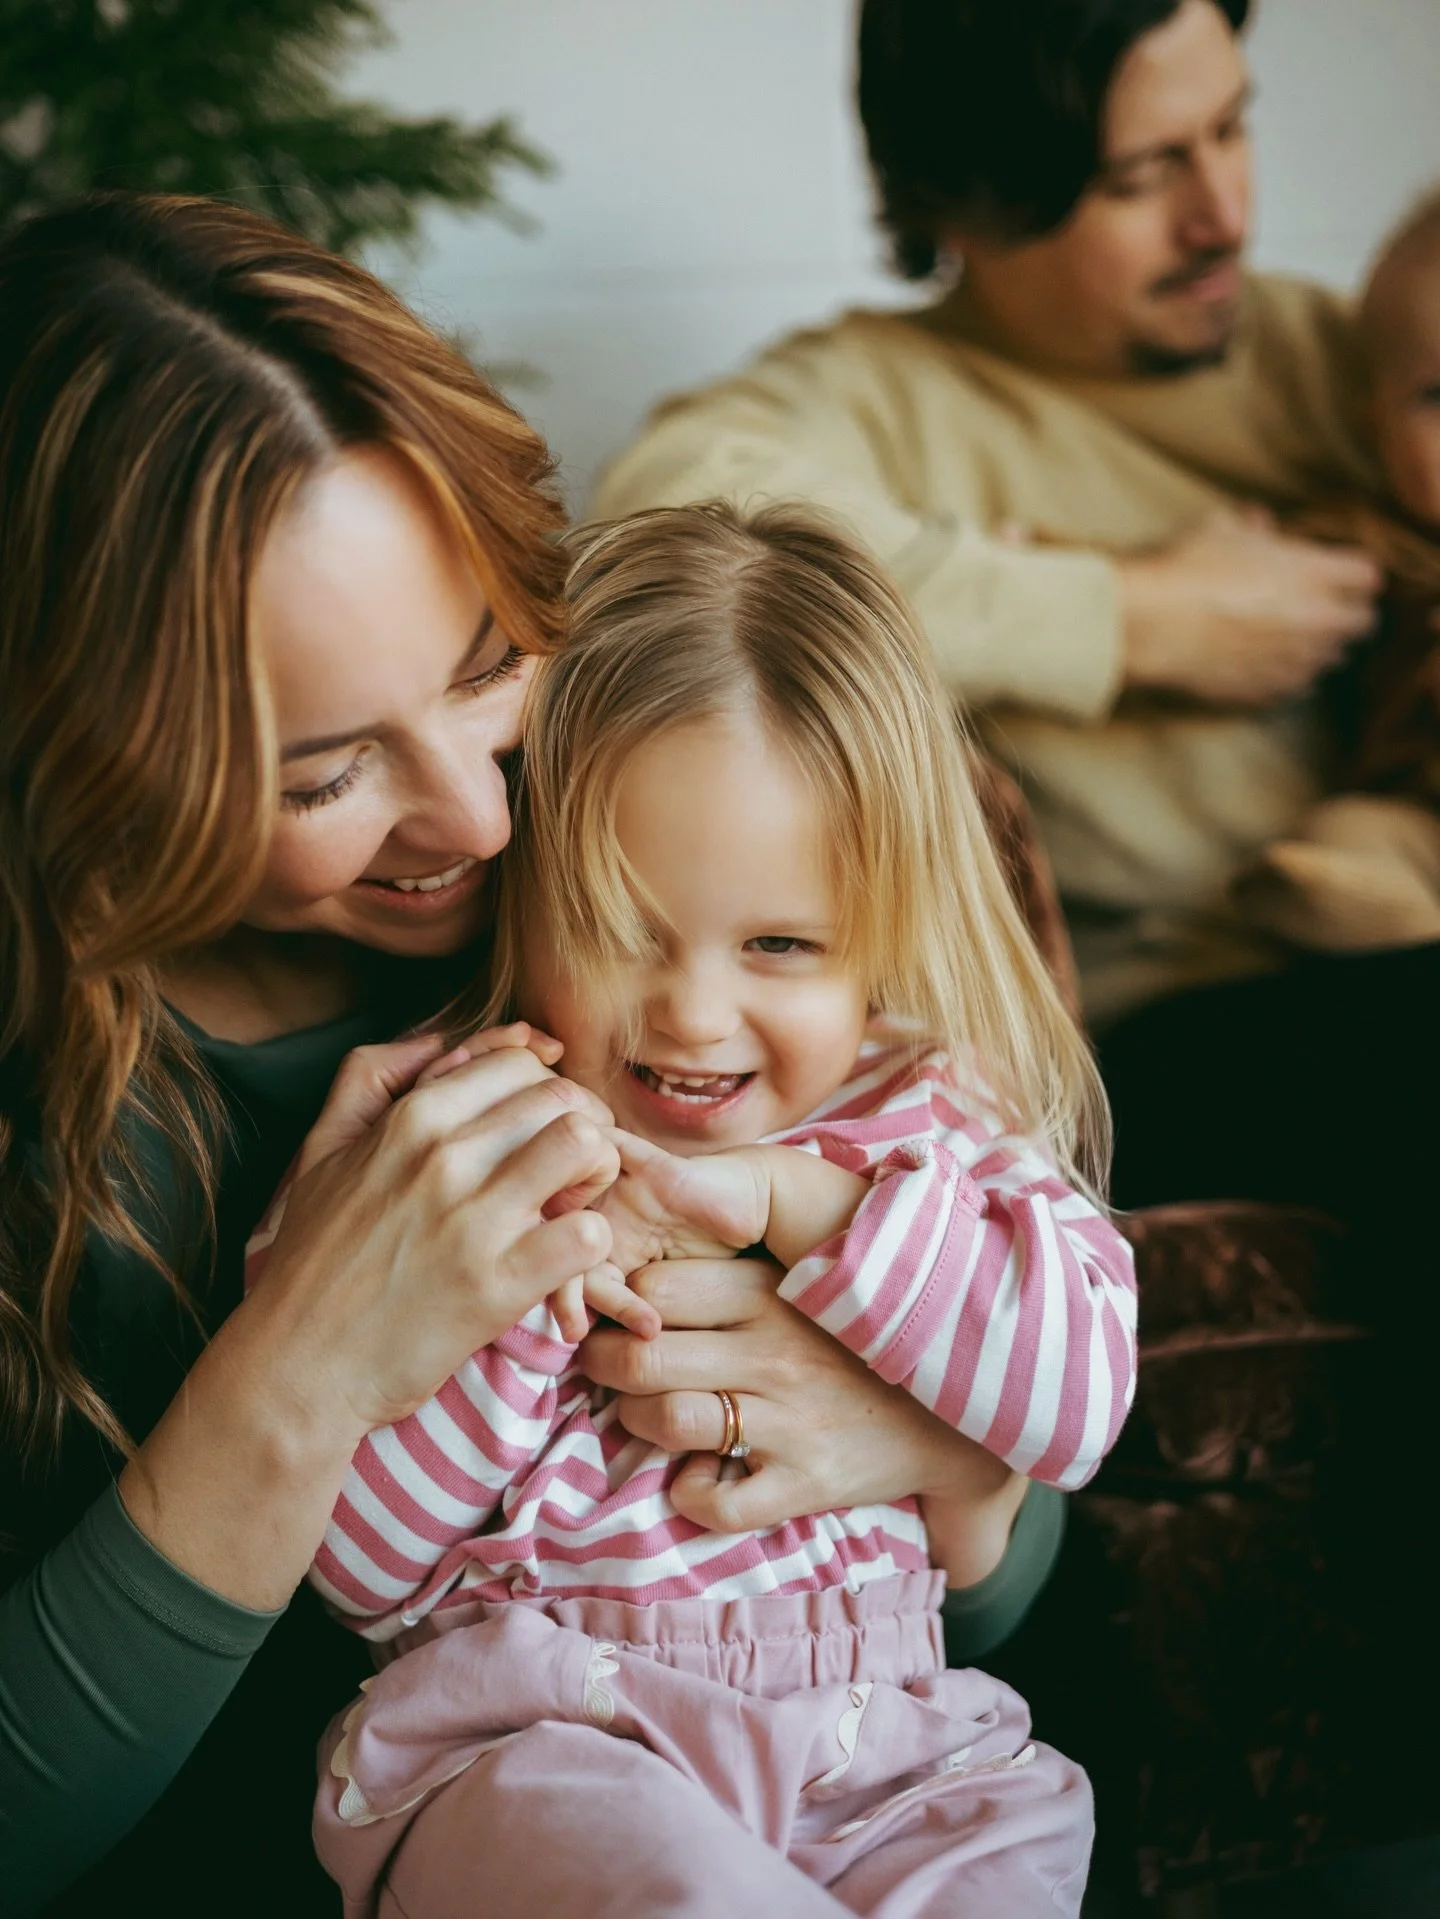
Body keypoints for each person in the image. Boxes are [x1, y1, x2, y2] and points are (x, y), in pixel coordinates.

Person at [0, 197, 1067, 1918]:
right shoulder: (67, 1122)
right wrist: (297, 1378)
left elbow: (1019, 1574)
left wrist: (927, 1444)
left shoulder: (636, 883)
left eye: (493, 660)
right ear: (84, 763)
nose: (481, 815)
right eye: (322, 770)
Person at [245, 501, 1133, 1917]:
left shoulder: (927, 1121)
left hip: (890, 1746)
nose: (697, 1012)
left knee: (1016, 1846)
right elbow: (352, 1560)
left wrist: (812, 1205)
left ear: (879, 937)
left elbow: (1075, 1405)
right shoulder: (442, 1135)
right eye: (621, 926)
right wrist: (544, 1281)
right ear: (527, 883)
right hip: (531, 1734)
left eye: (781, 944)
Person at [590, 0, 1438, 1280]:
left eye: (1230, 129)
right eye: (1142, 175)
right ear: (972, 199)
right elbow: (657, 521)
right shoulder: (876, 397)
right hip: (1164, 1036)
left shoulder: (1335, 354)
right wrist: (1131, 619)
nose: (1222, 214)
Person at [1238, 188, 1440, 951]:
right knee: (1348, 835)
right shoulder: (1369, 537)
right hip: (1419, 821)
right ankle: (1393, 926)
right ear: (1375, 424)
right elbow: (1239, 576)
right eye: (1437, 396)